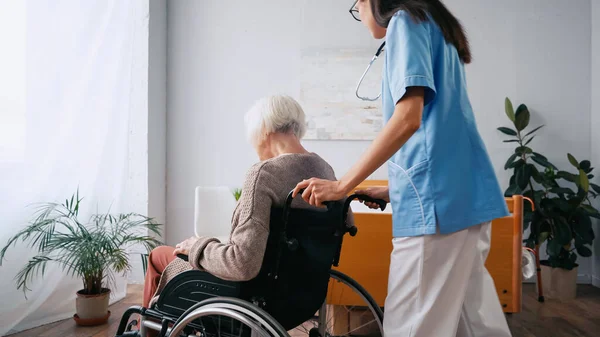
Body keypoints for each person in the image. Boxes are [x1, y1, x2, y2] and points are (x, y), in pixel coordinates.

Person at [293, 1, 512, 336]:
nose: (360, 16)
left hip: (438, 211)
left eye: (357, 7)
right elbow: (441, 131)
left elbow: (409, 119)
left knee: (409, 328)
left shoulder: (405, 22)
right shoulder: (434, 24)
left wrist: (341, 185)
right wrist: (395, 189)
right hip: (466, 200)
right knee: (476, 326)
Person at [142, 95, 348, 310]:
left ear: (265, 128)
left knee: (158, 255)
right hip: (302, 293)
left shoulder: (264, 174)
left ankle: (148, 327)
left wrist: (198, 246)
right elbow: (345, 223)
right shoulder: (325, 170)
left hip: (251, 294)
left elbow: (242, 264)